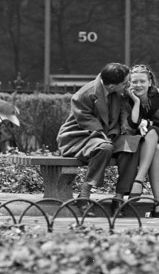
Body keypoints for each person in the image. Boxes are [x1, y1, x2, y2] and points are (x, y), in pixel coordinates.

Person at [56, 63, 130, 216]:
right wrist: (104, 136)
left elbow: (118, 120)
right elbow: (86, 121)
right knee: (105, 148)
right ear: (110, 86)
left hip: (107, 136)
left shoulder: (119, 93)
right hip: (80, 136)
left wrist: (114, 134)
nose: (127, 85)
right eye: (124, 83)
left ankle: (119, 197)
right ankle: (84, 195)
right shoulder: (85, 94)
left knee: (132, 146)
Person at [114, 64, 159, 217]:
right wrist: (135, 102)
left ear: (150, 82)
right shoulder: (125, 99)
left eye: (142, 81)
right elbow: (127, 130)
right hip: (136, 143)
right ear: (129, 83)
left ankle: (138, 180)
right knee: (157, 150)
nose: (138, 85)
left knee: (154, 132)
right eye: (134, 82)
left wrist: (150, 123)